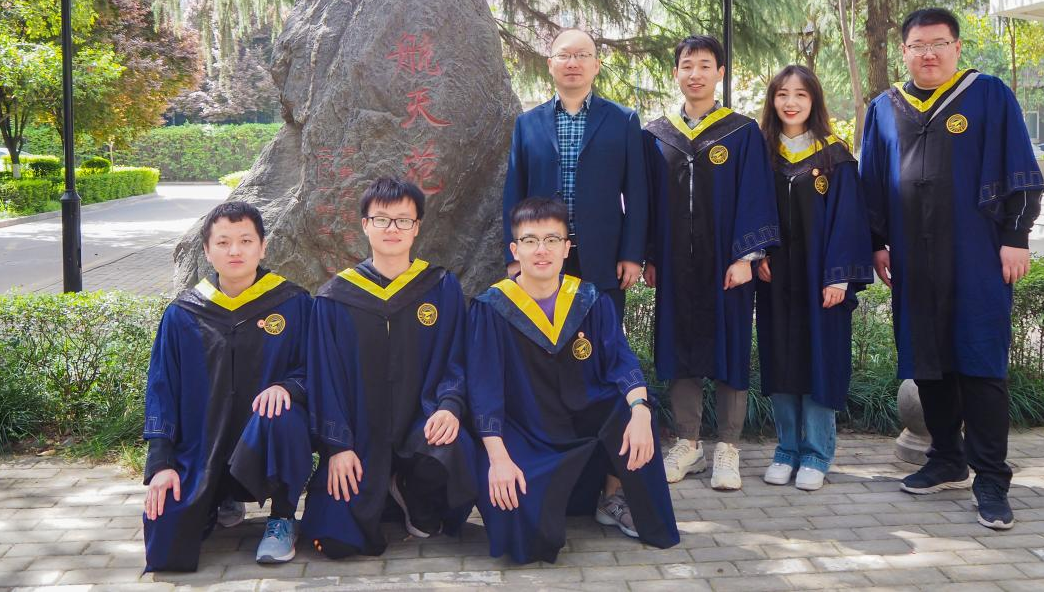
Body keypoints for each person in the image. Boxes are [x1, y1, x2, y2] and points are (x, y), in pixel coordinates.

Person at [860, 7, 1044, 530]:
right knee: (927, 359)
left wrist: (1015, 238)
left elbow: (1020, 169)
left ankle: (991, 478)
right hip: (912, 258)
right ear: (904, 51)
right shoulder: (884, 108)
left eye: (938, 43)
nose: (929, 54)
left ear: (957, 48)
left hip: (976, 252)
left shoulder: (988, 95)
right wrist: (877, 244)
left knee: (981, 362)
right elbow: (871, 182)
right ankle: (946, 458)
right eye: (918, 45)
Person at [467, 197, 679, 564]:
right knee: (524, 538)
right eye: (531, 240)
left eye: (552, 239)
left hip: (582, 422)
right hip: (527, 433)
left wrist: (641, 411)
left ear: (567, 248)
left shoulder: (589, 300)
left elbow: (620, 360)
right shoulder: (492, 309)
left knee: (630, 406)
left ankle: (614, 495)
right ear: (515, 250)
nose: (542, 250)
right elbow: (483, 389)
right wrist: (497, 458)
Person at [301, 177, 476, 558]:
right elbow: (325, 378)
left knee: (455, 447)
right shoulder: (335, 298)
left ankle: (415, 494)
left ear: (417, 227)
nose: (392, 228)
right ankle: (383, 491)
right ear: (365, 225)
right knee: (336, 542)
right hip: (360, 436)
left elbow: (457, 357)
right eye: (381, 219)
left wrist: (450, 406)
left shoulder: (440, 287)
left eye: (403, 220)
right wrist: (338, 446)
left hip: (421, 425)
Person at [143, 201, 313, 572]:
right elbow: (162, 390)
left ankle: (283, 516)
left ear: (262, 247)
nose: (235, 251)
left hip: (267, 441)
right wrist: (161, 464)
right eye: (223, 242)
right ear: (207, 251)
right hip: (202, 448)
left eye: (245, 241)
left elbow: (315, 369)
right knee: (165, 543)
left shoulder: (293, 303)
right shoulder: (183, 314)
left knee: (283, 413)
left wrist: (289, 387)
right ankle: (217, 497)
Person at [643, 35, 780, 491]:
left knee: (730, 346)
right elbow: (645, 204)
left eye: (705, 65)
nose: (695, 74)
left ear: (720, 73)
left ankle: (728, 446)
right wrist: (649, 257)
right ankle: (688, 443)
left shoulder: (741, 133)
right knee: (679, 346)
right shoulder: (656, 136)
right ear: (676, 73)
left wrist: (747, 256)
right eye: (687, 65)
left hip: (726, 264)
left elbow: (756, 195)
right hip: (674, 265)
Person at [755, 65, 872, 491]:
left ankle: (817, 453)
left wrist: (839, 278)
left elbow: (849, 220)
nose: (790, 103)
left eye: (800, 95)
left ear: (814, 101)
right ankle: (786, 449)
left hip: (821, 277)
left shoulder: (834, 157)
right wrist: (756, 252)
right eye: (782, 94)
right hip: (775, 277)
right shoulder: (762, 154)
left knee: (819, 359)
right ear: (772, 100)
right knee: (781, 358)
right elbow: (750, 210)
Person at [502, 28, 648, 319]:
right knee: (542, 336)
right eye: (564, 55)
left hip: (604, 257)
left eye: (582, 55)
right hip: (542, 254)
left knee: (600, 336)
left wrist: (632, 255)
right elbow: (513, 195)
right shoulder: (527, 124)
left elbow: (637, 194)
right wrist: (514, 255)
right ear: (550, 64)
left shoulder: (623, 121)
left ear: (596, 65)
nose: (573, 63)